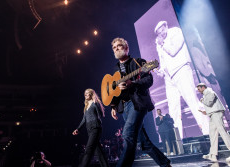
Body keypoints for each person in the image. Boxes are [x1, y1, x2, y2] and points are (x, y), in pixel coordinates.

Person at [110, 37, 171, 167]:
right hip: (124, 107)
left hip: (137, 104)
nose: (116, 49)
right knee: (143, 142)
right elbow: (115, 91)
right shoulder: (115, 70)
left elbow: (148, 80)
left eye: (119, 46)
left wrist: (132, 83)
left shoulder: (138, 62)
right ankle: (165, 164)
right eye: (114, 47)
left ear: (126, 48)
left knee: (127, 134)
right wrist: (114, 106)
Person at [154, 21, 209, 138]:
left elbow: (173, 51)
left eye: (162, 31)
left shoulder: (176, 32)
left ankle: (208, 133)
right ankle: (178, 142)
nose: (161, 34)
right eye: (159, 33)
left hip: (181, 70)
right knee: (173, 111)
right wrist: (160, 71)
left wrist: (162, 43)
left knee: (192, 101)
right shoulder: (158, 43)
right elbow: (163, 60)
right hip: (169, 78)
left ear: (166, 27)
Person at [72, 89, 109, 167]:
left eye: (87, 93)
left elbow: (101, 115)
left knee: (88, 149)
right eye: (85, 93)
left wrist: (96, 104)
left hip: (96, 128)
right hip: (89, 129)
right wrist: (78, 129)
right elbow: (84, 119)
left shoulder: (95, 103)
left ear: (92, 94)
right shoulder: (86, 106)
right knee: (98, 152)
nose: (85, 95)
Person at [197, 83, 230, 163]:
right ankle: (213, 155)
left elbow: (209, 102)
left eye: (199, 89)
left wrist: (202, 100)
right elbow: (211, 105)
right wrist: (206, 111)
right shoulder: (206, 93)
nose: (198, 91)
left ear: (203, 87)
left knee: (223, 132)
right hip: (213, 114)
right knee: (212, 134)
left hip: (216, 114)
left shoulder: (209, 91)